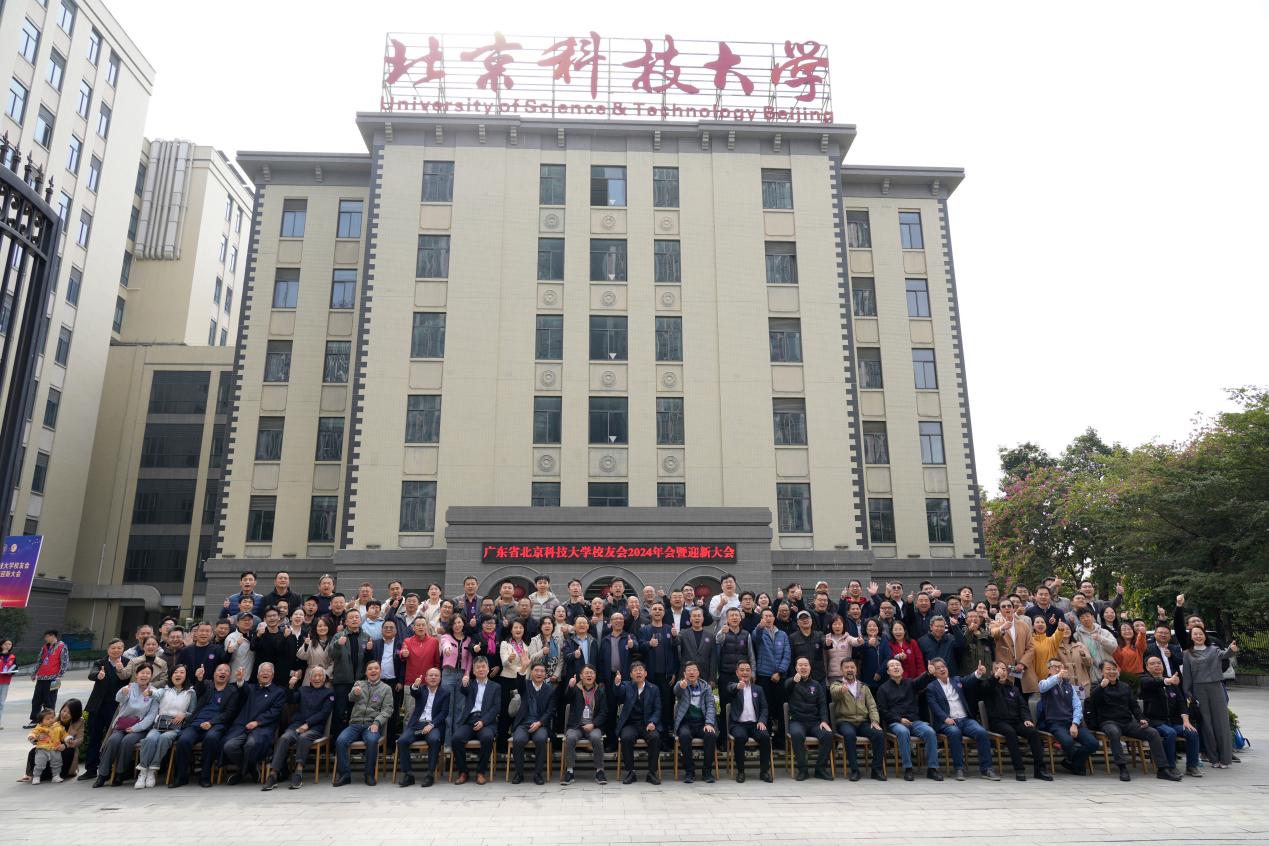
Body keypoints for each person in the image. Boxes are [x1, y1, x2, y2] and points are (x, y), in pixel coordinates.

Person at [1089, 659, 1177, 781]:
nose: (1112, 672)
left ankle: (1162, 769)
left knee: (1152, 733)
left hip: (1127, 722)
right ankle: (1122, 767)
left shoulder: (1125, 686)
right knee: (1114, 732)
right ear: (1101, 672)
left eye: (1114, 669)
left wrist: (1141, 719)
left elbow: (1134, 706)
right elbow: (1093, 700)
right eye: (1108, 669)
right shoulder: (1096, 685)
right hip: (1108, 722)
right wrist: (1101, 687)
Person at [925, 657, 999, 781]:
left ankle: (987, 769)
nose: (942, 669)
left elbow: (969, 680)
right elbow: (934, 706)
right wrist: (945, 718)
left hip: (965, 719)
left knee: (981, 732)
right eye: (938, 668)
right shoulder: (931, 687)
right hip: (948, 722)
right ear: (934, 672)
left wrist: (978, 673)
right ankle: (959, 768)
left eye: (943, 667)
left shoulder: (956, 680)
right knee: (955, 733)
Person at [264, 665, 334, 790]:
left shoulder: (329, 693)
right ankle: (273, 774)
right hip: (296, 725)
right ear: (310, 678)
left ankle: (298, 771)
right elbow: (290, 700)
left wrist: (308, 724)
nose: (317, 678)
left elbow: (324, 713)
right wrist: (291, 687)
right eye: (314, 676)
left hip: (315, 727)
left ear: (324, 679)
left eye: (320, 676)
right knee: (284, 738)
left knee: (303, 737)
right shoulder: (302, 690)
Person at [171, 662, 240, 788]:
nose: (223, 672)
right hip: (196, 723)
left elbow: (229, 713)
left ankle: (205, 776)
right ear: (214, 674)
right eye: (220, 670)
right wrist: (200, 679)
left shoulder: (233, 690)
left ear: (229, 676)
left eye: (226, 671)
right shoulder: (207, 684)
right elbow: (199, 689)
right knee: (184, 740)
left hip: (216, 724)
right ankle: (181, 777)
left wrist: (211, 722)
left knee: (211, 738)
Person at [981, 660, 1050, 782]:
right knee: (1010, 733)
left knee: (1033, 732)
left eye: (1003, 669)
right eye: (997, 669)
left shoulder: (1013, 689)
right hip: (998, 722)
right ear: (993, 672)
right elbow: (986, 688)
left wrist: (1027, 719)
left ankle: (1040, 770)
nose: (1001, 672)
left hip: (1016, 721)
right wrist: (995, 678)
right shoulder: (988, 685)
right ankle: (1019, 769)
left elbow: (1023, 707)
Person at [94, 663, 159, 787]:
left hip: (140, 728)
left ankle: (120, 773)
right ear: (137, 674)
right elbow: (119, 699)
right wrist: (123, 693)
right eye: (142, 673)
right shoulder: (128, 687)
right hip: (122, 725)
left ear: (151, 676)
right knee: (112, 740)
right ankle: (103, 774)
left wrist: (136, 728)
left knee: (127, 741)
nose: (144, 675)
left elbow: (151, 716)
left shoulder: (154, 692)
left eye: (148, 673)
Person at [875, 658, 940, 781]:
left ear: (902, 669)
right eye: (892, 666)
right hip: (896, 722)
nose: (895, 667)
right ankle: (908, 768)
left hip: (914, 721)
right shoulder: (883, 689)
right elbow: (882, 711)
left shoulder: (910, 683)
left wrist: (928, 673)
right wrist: (899, 719)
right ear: (888, 671)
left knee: (930, 732)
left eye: (898, 665)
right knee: (903, 732)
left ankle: (932, 769)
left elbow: (921, 681)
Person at [221, 662, 285, 784]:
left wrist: (258, 722)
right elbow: (243, 689)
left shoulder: (278, 692)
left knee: (251, 744)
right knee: (229, 746)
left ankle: (241, 773)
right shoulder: (250, 688)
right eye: (262, 671)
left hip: (263, 727)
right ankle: (251, 768)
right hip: (243, 726)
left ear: (273, 675)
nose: (265, 673)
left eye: (268, 671)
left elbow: (274, 712)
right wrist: (240, 680)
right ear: (257, 675)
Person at [1183, 626, 1237, 768]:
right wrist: (1188, 693)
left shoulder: (1213, 649)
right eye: (1195, 634)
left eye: (1200, 634)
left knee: (1222, 723)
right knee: (1206, 724)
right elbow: (1187, 675)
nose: (1198, 636)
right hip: (1199, 690)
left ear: (1205, 635)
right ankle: (1213, 758)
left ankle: (1225, 759)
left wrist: (1232, 649)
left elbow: (1225, 654)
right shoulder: (1187, 653)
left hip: (1216, 687)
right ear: (1191, 637)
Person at [334, 659, 394, 786]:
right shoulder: (359, 684)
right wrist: (355, 693)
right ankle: (345, 775)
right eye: (370, 669)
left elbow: (388, 709)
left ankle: (369, 774)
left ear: (380, 671)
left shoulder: (386, 688)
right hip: (355, 724)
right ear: (366, 672)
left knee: (372, 741)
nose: (373, 671)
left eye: (376, 668)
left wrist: (377, 722)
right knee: (340, 741)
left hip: (371, 724)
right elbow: (350, 698)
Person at [134, 664, 195, 788]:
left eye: (181, 672)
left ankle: (153, 769)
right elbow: (155, 693)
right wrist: (149, 692)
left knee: (164, 738)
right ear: (171, 675)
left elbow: (193, 712)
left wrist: (184, 714)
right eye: (175, 672)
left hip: (175, 726)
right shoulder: (164, 690)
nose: (178, 675)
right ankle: (143, 771)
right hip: (159, 724)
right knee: (150, 739)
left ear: (186, 675)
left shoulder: (191, 692)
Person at [1140, 656, 1201, 777]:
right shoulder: (1144, 679)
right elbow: (1154, 682)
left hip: (1173, 721)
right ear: (1147, 667)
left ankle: (1192, 766)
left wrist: (1186, 721)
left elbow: (1181, 702)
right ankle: (1170, 766)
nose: (1157, 665)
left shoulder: (1171, 682)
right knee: (1170, 733)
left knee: (1192, 732)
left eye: (1159, 663)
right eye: (1152, 664)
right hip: (1155, 721)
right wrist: (1168, 680)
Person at [1036, 658, 1100, 776]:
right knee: (1068, 742)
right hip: (1055, 723)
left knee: (1093, 744)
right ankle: (1075, 764)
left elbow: (1077, 706)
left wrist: (1075, 724)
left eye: (1060, 666)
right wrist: (1057, 676)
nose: (1058, 669)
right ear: (1049, 670)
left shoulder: (1069, 686)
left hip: (1072, 722)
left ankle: (1072, 763)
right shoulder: (1044, 683)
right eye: (1055, 667)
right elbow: (1043, 687)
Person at [830, 659, 885, 782]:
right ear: (841, 670)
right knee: (849, 735)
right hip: (845, 721)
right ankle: (855, 770)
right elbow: (834, 693)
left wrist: (875, 721)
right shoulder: (836, 684)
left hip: (862, 721)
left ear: (856, 670)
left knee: (879, 734)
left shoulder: (863, 687)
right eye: (846, 667)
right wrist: (841, 690)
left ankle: (876, 770)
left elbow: (872, 706)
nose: (849, 670)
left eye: (852, 667)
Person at [78, 639, 127, 781]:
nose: (116, 650)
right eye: (113, 648)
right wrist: (98, 675)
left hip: (116, 707)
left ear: (123, 649)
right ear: (108, 649)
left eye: (119, 648)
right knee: (94, 738)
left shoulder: (127, 662)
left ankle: (110, 770)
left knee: (113, 739)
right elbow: (91, 674)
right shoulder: (100, 663)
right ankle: (91, 769)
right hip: (97, 707)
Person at [450, 656, 501, 784]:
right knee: (456, 739)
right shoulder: (470, 684)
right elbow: (464, 690)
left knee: (487, 738)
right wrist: (464, 682)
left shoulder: (496, 686)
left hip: (486, 722)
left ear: (488, 669)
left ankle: (480, 772)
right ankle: (463, 772)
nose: (481, 669)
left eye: (483, 666)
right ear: (473, 671)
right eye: (478, 667)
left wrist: (483, 721)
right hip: (470, 720)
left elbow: (496, 707)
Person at [398, 667, 449, 788]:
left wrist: (431, 725)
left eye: (436, 675)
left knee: (434, 740)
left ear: (440, 678)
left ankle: (430, 774)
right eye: (431, 675)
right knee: (402, 741)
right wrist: (415, 686)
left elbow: (444, 712)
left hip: (434, 725)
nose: (433, 677)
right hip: (417, 724)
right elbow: (414, 693)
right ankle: (408, 775)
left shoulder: (445, 693)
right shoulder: (421, 689)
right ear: (425, 678)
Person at [784, 656, 833, 781]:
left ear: (810, 668)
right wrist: (794, 681)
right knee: (797, 735)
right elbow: (787, 687)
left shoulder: (816, 685)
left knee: (827, 735)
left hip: (815, 722)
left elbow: (822, 704)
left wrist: (824, 721)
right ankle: (802, 769)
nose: (803, 667)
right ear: (796, 668)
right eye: (800, 665)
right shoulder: (791, 682)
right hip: (797, 721)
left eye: (806, 665)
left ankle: (820, 769)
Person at [615, 661, 662, 785]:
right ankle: (631, 772)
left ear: (645, 673)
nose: (638, 672)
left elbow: (658, 709)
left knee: (655, 737)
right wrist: (617, 684)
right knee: (626, 738)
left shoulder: (653, 688)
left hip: (648, 724)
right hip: (631, 724)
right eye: (635, 670)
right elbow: (619, 696)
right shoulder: (626, 686)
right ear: (631, 675)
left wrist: (653, 722)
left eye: (641, 670)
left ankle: (651, 773)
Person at [328, 608, 371, 738]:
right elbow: (331, 655)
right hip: (342, 681)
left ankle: (353, 741)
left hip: (360, 682)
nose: (354, 620)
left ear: (360, 620)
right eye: (351, 618)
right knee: (339, 712)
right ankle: (337, 742)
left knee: (356, 713)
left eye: (357, 617)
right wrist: (337, 644)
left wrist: (370, 651)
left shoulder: (366, 637)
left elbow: (369, 661)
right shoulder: (339, 636)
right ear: (346, 621)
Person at [672, 662, 718, 783]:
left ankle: (707, 772)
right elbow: (676, 691)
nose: (691, 672)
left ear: (698, 673)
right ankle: (689, 771)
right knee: (684, 736)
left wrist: (709, 723)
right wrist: (681, 686)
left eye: (694, 670)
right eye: (689, 670)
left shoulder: (706, 687)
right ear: (684, 673)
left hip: (702, 722)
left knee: (711, 735)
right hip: (686, 722)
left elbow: (711, 706)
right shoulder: (681, 684)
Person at [511, 663, 555, 784]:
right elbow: (519, 682)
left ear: (545, 674)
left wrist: (539, 723)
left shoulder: (550, 690)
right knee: (518, 740)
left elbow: (550, 711)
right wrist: (523, 667)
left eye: (542, 671)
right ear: (531, 673)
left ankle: (538, 774)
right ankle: (519, 774)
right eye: (536, 670)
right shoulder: (525, 685)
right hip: (523, 723)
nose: (539, 673)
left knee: (541, 739)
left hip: (540, 724)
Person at [22, 699, 82, 782]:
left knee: (67, 753)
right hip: (47, 745)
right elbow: (37, 730)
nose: (65, 714)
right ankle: (35, 775)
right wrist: (37, 738)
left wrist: (65, 745)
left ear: (75, 714)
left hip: (66, 746)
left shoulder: (80, 722)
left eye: (69, 713)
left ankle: (58, 775)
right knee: (34, 752)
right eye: (64, 710)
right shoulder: (52, 717)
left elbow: (79, 740)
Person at [989, 600, 1036, 695]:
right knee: (1007, 698)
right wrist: (1002, 628)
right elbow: (993, 633)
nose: (1007, 608)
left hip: (1022, 669)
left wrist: (1022, 664)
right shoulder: (995, 624)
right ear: (999, 611)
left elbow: (1031, 647)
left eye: (1009, 606)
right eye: (1003, 606)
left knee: (1024, 698)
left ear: (1013, 609)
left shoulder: (1023, 625)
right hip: (1005, 670)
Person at [26, 629, 68, 728]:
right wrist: (34, 672)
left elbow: (64, 662)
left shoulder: (62, 646)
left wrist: (60, 676)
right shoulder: (45, 647)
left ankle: (49, 721)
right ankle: (35, 720)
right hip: (41, 677)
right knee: (36, 699)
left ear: (52, 636)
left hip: (54, 678)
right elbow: (40, 660)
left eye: (47, 636)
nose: (45, 639)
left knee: (50, 700)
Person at [675, 607, 717, 685]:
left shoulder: (710, 636)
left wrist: (712, 678)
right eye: (694, 616)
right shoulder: (683, 633)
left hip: (705, 674)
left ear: (703, 618)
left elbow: (713, 658)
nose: (697, 618)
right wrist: (674, 636)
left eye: (699, 616)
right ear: (690, 619)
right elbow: (675, 642)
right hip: (687, 674)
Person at [26, 709, 67, 784]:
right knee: (39, 763)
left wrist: (68, 738)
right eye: (47, 719)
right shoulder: (40, 727)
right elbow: (33, 732)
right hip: (42, 749)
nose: (51, 720)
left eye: (52, 717)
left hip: (55, 748)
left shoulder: (58, 727)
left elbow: (64, 735)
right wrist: (33, 737)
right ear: (41, 721)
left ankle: (56, 776)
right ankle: (36, 776)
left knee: (57, 763)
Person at [0, 638, 16, 725]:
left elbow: (15, 667)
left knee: (1, 703)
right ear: (1, 645)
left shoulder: (12, 656)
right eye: (5, 644)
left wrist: (11, 672)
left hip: (5, 681)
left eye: (9, 644)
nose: (7, 646)